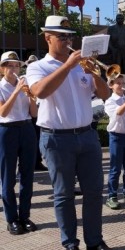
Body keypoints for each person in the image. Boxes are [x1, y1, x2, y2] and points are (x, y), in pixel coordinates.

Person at [26, 15, 111, 250]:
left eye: (70, 36)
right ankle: (70, 242)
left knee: (94, 192)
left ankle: (94, 241)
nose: (67, 41)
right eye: (61, 37)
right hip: (56, 137)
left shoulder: (82, 67)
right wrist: (68, 66)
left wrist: (94, 73)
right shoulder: (38, 66)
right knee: (64, 195)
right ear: (48, 38)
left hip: (87, 135)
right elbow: (40, 92)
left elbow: (105, 95)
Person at [0, 51, 38, 235]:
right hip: (7, 130)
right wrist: (16, 91)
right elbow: (3, 112)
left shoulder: (24, 85)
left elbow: (34, 114)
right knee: (8, 178)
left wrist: (31, 95)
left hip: (26, 128)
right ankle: (11, 219)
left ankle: (24, 216)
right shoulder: (0, 87)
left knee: (27, 176)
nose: (14, 69)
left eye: (16, 65)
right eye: (9, 65)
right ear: (2, 69)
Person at [104, 73, 125, 210]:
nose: (122, 86)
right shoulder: (110, 101)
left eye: (123, 83)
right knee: (115, 169)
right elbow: (119, 112)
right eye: (118, 83)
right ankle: (112, 195)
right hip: (116, 137)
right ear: (111, 85)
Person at [24, 55, 48, 172]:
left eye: (33, 62)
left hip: (39, 109)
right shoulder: (23, 78)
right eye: (29, 62)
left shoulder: (40, 76)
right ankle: (24, 165)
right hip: (27, 112)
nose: (31, 64)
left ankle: (37, 162)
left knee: (37, 138)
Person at [107, 14, 125, 88]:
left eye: (121, 18)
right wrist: (113, 50)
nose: (119, 19)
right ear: (116, 19)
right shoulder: (111, 29)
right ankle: (115, 86)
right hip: (116, 52)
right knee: (116, 71)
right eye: (118, 18)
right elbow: (109, 41)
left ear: (123, 19)